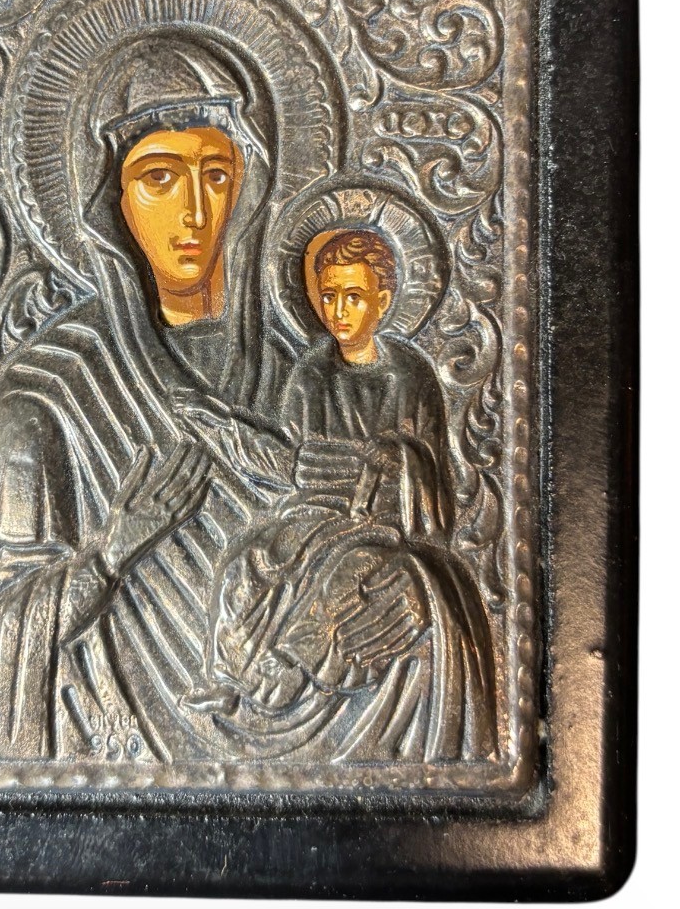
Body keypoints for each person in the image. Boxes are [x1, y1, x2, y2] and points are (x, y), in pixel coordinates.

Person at [0, 36, 298, 763]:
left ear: (249, 186)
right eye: (160, 178)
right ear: (111, 200)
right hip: (109, 740)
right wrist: (109, 554)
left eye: (215, 174)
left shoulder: (295, 375)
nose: (194, 212)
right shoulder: (44, 400)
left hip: (294, 722)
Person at [177, 227, 497, 762]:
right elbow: (295, 463)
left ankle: (286, 672)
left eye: (354, 296)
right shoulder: (312, 374)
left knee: (344, 574)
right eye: (328, 296)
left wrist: (396, 458)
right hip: (312, 512)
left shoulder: (409, 376)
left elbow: (433, 471)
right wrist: (225, 429)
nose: (338, 311)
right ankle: (228, 677)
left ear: (384, 301)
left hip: (380, 519)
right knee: (247, 561)